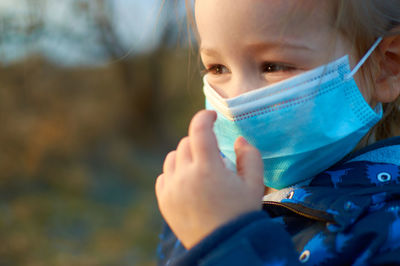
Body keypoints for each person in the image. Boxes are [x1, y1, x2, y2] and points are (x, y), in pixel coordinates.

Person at [155, 0, 400, 265]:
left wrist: (224, 241)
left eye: (273, 66)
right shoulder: (210, 193)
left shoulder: (386, 227)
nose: (237, 102)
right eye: (217, 68)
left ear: (386, 67)